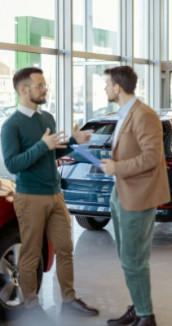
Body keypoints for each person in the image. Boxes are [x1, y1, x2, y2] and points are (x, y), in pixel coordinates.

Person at [1, 67, 99, 325]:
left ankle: (68, 300)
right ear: (24, 89)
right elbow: (13, 164)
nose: (45, 89)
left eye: (45, 85)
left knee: (65, 249)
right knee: (31, 254)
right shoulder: (11, 126)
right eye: (40, 85)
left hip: (55, 195)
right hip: (29, 197)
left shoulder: (48, 119)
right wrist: (42, 145)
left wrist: (73, 142)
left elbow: (50, 154)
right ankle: (31, 307)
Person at [100, 66, 170, 326]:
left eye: (107, 84)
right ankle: (138, 305)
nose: (105, 88)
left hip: (139, 196)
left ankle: (145, 316)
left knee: (134, 259)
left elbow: (152, 157)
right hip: (122, 192)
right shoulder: (124, 114)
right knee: (126, 256)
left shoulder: (144, 115)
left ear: (118, 87)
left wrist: (117, 167)